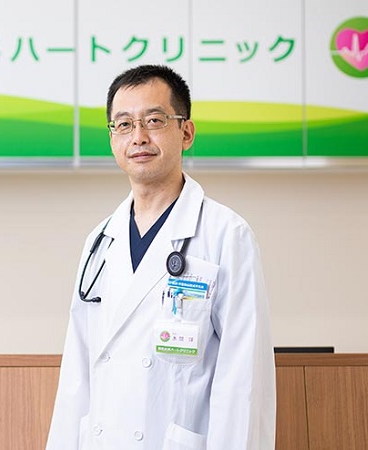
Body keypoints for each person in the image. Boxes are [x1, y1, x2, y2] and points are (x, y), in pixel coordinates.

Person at [46, 64, 276, 450]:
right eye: (123, 124)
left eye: (154, 120)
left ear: (186, 132)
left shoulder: (225, 235)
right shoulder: (100, 242)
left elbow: (243, 383)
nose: (138, 137)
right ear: (112, 138)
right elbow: (76, 375)